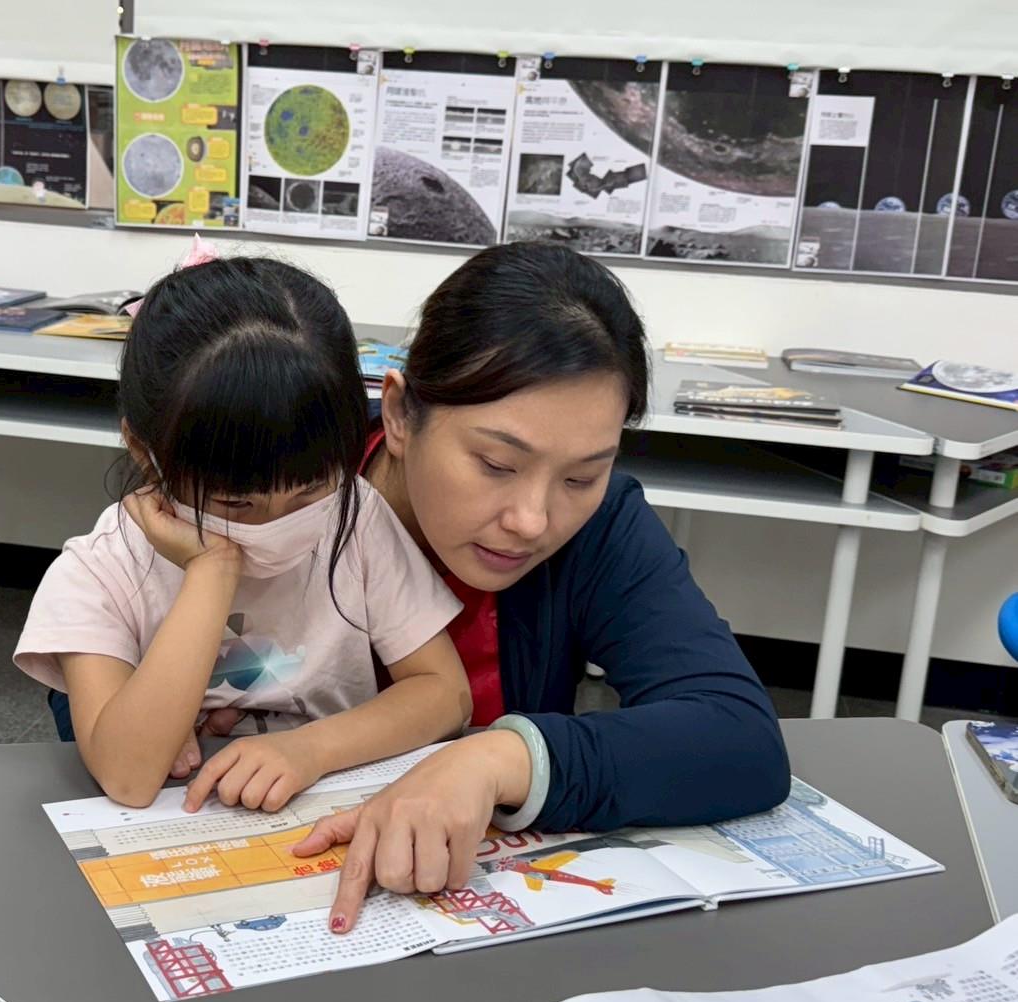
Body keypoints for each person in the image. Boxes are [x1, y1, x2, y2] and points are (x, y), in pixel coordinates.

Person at [282, 242, 790, 932]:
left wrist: (499, 757)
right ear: (399, 415)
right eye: (496, 464)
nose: (532, 521)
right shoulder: (281, 491)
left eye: (581, 476)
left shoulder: (600, 528)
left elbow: (738, 737)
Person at [14, 256, 472, 809]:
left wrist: (309, 749)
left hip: (323, 804)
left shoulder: (354, 517)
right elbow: (128, 777)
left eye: (309, 491)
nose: (278, 522)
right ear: (142, 449)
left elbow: (446, 694)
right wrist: (212, 569)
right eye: (236, 503)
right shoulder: (101, 571)